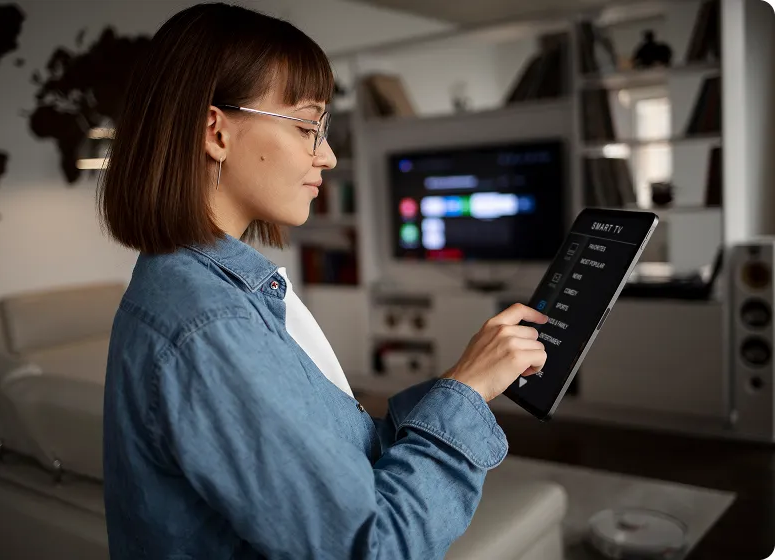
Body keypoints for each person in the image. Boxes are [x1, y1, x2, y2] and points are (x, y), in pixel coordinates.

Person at [98, 3, 548, 559]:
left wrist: (464, 381)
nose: (329, 156)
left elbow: (346, 454)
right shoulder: (210, 327)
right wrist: (468, 393)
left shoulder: (197, 291)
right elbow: (372, 548)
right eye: (309, 127)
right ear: (215, 132)